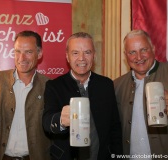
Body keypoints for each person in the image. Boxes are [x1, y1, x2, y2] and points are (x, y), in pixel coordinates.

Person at [114, 29, 168, 159]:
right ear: (125, 55)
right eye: (132, 52)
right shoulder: (117, 85)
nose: (139, 57)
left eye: (143, 50)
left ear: (153, 49)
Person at [42, 32, 122, 160]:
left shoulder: (106, 84)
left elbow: (115, 127)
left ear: (94, 56)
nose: (81, 58)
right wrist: (61, 120)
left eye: (87, 52)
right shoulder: (54, 86)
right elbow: (46, 123)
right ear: (67, 56)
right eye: (75, 53)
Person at [0, 30, 51, 160]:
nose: (22, 58)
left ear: (39, 54)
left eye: (28, 52)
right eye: (18, 51)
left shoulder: (49, 86)